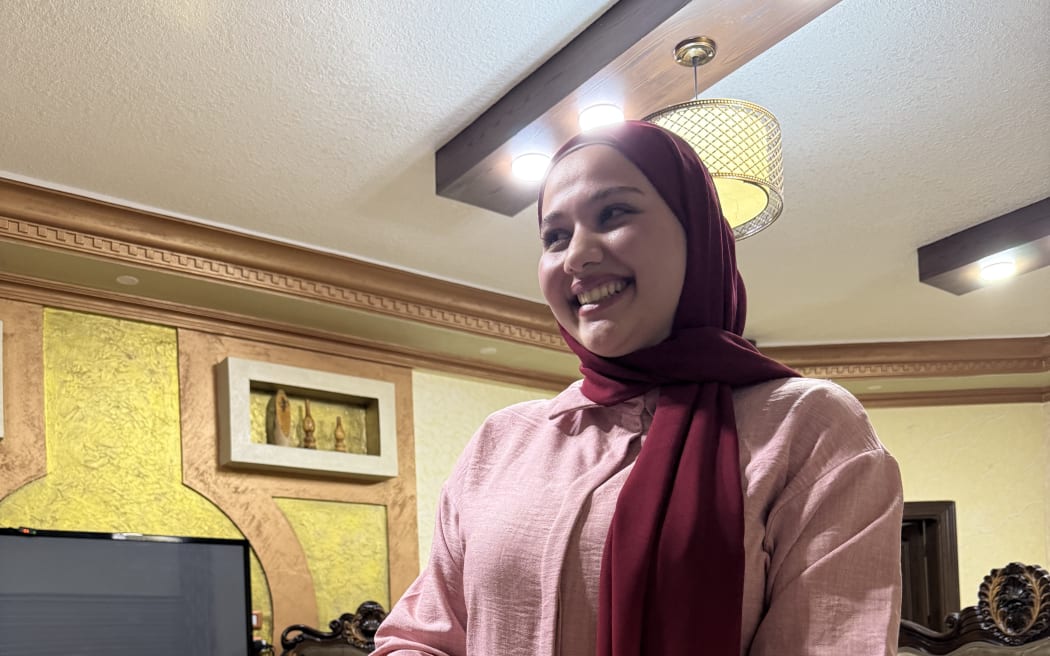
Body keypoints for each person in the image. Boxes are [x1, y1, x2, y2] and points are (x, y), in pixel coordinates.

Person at [372, 120, 903, 655]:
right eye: (555, 236)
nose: (577, 255)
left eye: (614, 213)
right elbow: (422, 635)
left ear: (695, 234)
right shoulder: (501, 441)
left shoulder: (806, 427)